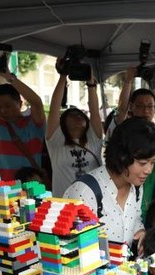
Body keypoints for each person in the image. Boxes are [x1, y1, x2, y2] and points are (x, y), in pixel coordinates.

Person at [64, 118, 155, 245]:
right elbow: (73, 246)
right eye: (142, 163)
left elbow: (134, 218)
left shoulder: (136, 186)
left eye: (153, 162)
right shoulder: (84, 193)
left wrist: (140, 231)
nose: (149, 170)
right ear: (122, 156)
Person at [46, 61, 103, 197]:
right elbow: (54, 108)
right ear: (63, 122)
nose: (78, 117)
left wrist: (90, 84)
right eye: (72, 115)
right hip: (64, 204)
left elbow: (94, 111)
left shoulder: (93, 138)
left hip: (92, 202)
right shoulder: (56, 141)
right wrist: (62, 76)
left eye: (81, 115)